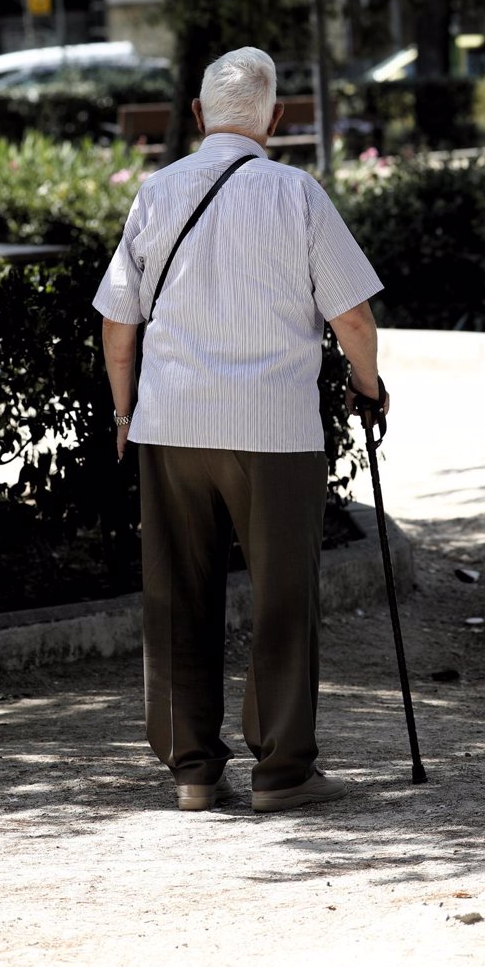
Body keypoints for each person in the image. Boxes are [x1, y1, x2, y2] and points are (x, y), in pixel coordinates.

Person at [93, 47, 387, 813]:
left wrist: (126, 414)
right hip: (275, 429)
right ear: (276, 121)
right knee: (284, 593)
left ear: (196, 116)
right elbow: (351, 314)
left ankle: (193, 769)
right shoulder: (297, 192)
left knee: (177, 592)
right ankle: (283, 771)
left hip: (172, 423)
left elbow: (117, 324)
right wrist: (368, 386)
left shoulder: (156, 193)